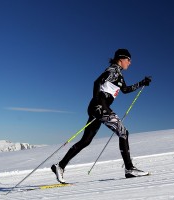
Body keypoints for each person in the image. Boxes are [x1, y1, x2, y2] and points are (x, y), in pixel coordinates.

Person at [51, 49, 152, 183]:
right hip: (100, 106)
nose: (130, 63)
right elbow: (97, 82)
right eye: (129, 59)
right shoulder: (113, 70)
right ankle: (129, 168)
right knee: (123, 133)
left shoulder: (119, 75)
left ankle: (60, 166)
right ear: (121, 59)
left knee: (86, 141)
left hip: (97, 107)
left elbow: (125, 90)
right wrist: (97, 101)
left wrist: (141, 83)